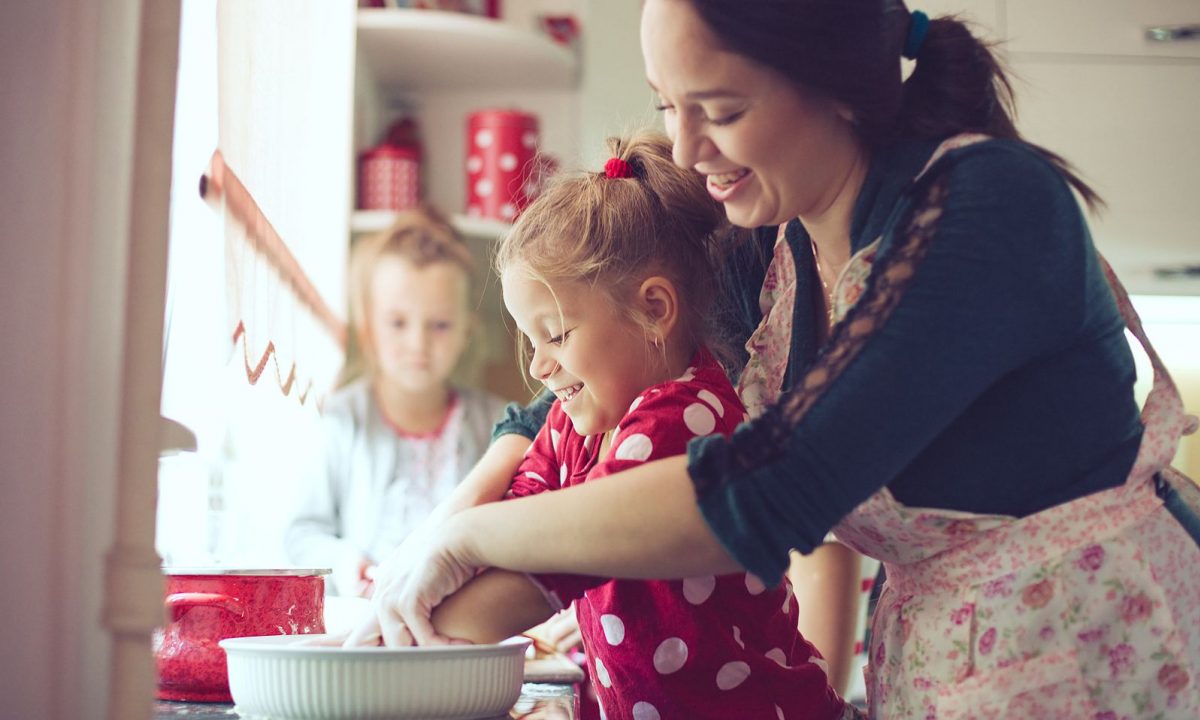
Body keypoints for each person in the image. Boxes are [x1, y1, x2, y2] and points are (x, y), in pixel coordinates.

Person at [363, 1, 1200, 717]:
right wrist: (438, 541)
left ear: (833, 84)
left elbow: (765, 491)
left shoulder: (986, 209)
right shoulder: (770, 246)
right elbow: (559, 408)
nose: (686, 150)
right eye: (667, 106)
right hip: (952, 664)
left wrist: (472, 535)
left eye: (719, 111)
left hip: (1103, 654)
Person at [418, 131, 854, 720]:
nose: (537, 365)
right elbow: (523, 500)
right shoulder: (579, 424)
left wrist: (403, 630)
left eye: (556, 334)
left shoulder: (684, 418)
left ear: (654, 310)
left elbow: (555, 559)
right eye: (529, 338)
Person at [284, 207, 507, 597]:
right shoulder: (342, 419)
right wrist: (347, 565)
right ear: (369, 328)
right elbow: (303, 532)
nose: (417, 344)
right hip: (367, 624)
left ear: (466, 331)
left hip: (465, 625)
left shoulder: (499, 425)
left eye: (439, 325)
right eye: (398, 323)